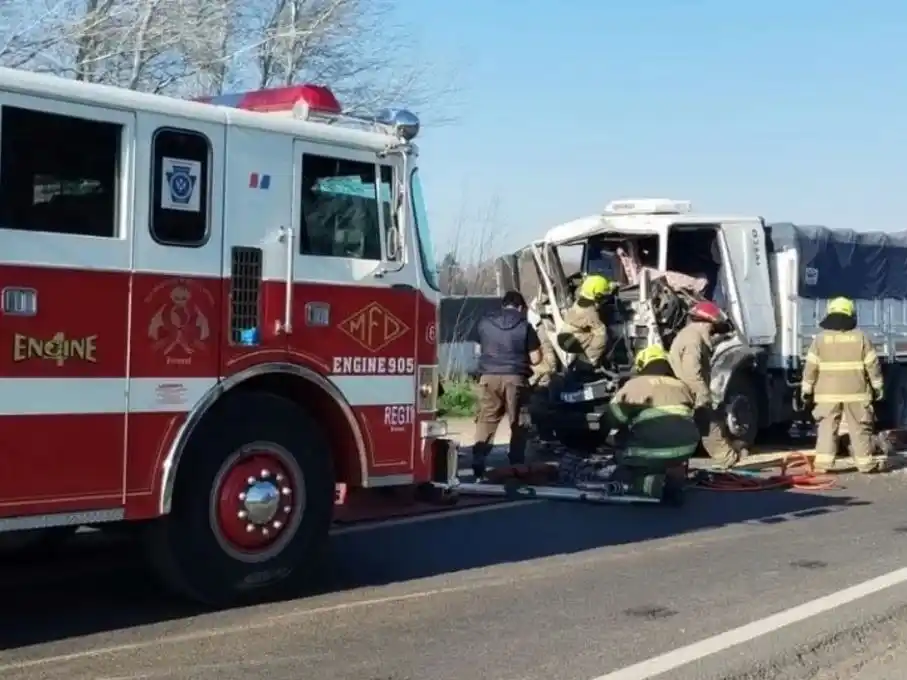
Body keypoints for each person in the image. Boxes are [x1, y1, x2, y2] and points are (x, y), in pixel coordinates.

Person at [801, 297, 887, 473]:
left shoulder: (820, 340)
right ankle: (865, 464)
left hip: (827, 394)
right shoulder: (861, 338)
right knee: (860, 428)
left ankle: (822, 465)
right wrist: (878, 387)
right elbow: (873, 366)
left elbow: (810, 368)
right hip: (856, 392)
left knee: (826, 427)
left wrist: (806, 389)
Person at [604, 344, 700, 501]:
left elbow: (612, 419)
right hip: (686, 449)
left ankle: (651, 484)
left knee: (622, 468)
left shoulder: (635, 384)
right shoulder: (681, 385)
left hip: (652, 450)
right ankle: (673, 472)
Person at [472, 290, 542, 478]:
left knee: (487, 418)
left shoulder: (484, 323)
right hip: (515, 378)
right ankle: (516, 462)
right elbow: (536, 358)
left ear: (503, 305)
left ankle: (479, 457)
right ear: (520, 307)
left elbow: (477, 351)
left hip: (488, 377)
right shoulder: (525, 326)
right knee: (519, 420)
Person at [668, 300, 745, 468]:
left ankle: (679, 466)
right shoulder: (693, 340)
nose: (713, 333)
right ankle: (728, 460)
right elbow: (692, 371)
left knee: (696, 429)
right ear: (707, 323)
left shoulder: (689, 335)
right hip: (692, 392)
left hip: (685, 391)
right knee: (710, 426)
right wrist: (703, 394)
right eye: (713, 329)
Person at [560, 274, 612, 367]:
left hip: (566, 340)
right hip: (573, 343)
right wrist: (592, 359)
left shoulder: (578, 302)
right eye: (603, 296)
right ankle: (587, 362)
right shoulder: (590, 312)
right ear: (598, 296)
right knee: (601, 333)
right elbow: (601, 337)